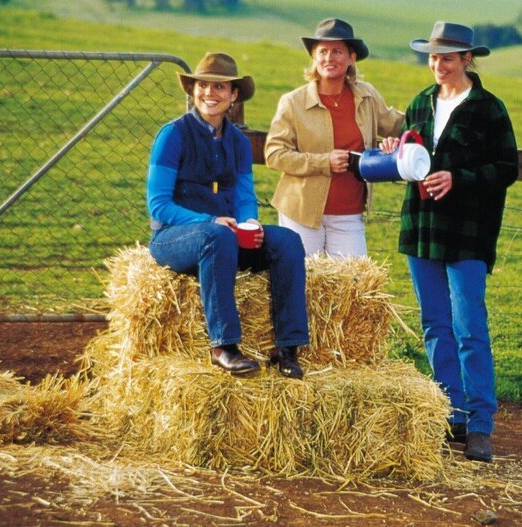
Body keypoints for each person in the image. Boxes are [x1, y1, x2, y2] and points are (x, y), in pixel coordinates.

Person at [381, 22, 518, 462]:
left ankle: (480, 424)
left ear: (467, 60)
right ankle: (449, 414)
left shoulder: (489, 109)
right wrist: (394, 151)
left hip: (468, 232)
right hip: (421, 227)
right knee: (435, 326)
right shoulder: (419, 102)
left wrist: (458, 179)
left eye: (447, 57)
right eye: (433, 56)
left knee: (469, 329)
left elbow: (507, 169)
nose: (438, 64)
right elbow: (410, 156)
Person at [146, 52, 309, 379]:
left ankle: (287, 348)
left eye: (219, 87)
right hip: (174, 237)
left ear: (233, 95)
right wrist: (208, 222)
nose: (210, 93)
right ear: (192, 91)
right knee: (217, 236)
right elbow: (159, 206)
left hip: (225, 235)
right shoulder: (173, 135)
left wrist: (250, 224)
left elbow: (245, 196)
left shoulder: (237, 141)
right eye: (203, 85)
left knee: (288, 241)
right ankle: (224, 346)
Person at [265, 18, 404, 258]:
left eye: (337, 51)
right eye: (323, 52)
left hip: (349, 213)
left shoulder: (366, 95)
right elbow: (274, 154)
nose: (329, 58)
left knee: (352, 286)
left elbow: (397, 125)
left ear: (352, 58)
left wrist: (398, 141)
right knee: (305, 285)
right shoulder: (293, 102)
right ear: (314, 58)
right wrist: (323, 162)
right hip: (302, 212)